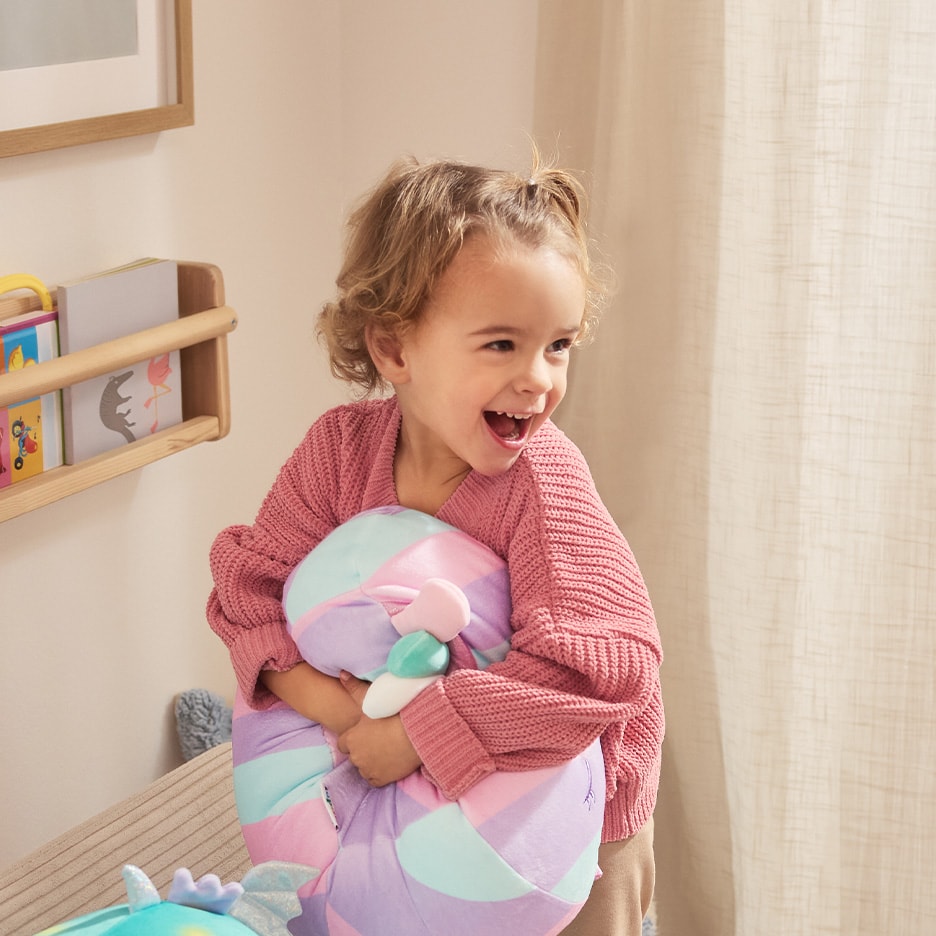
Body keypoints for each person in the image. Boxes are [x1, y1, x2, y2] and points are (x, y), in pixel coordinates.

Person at [207, 153, 664, 936]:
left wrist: (416, 733)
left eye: (558, 345)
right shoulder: (340, 454)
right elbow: (251, 589)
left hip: (572, 818)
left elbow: (602, 667)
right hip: (395, 777)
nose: (539, 379)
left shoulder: (543, 483)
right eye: (501, 345)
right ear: (394, 350)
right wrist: (343, 712)